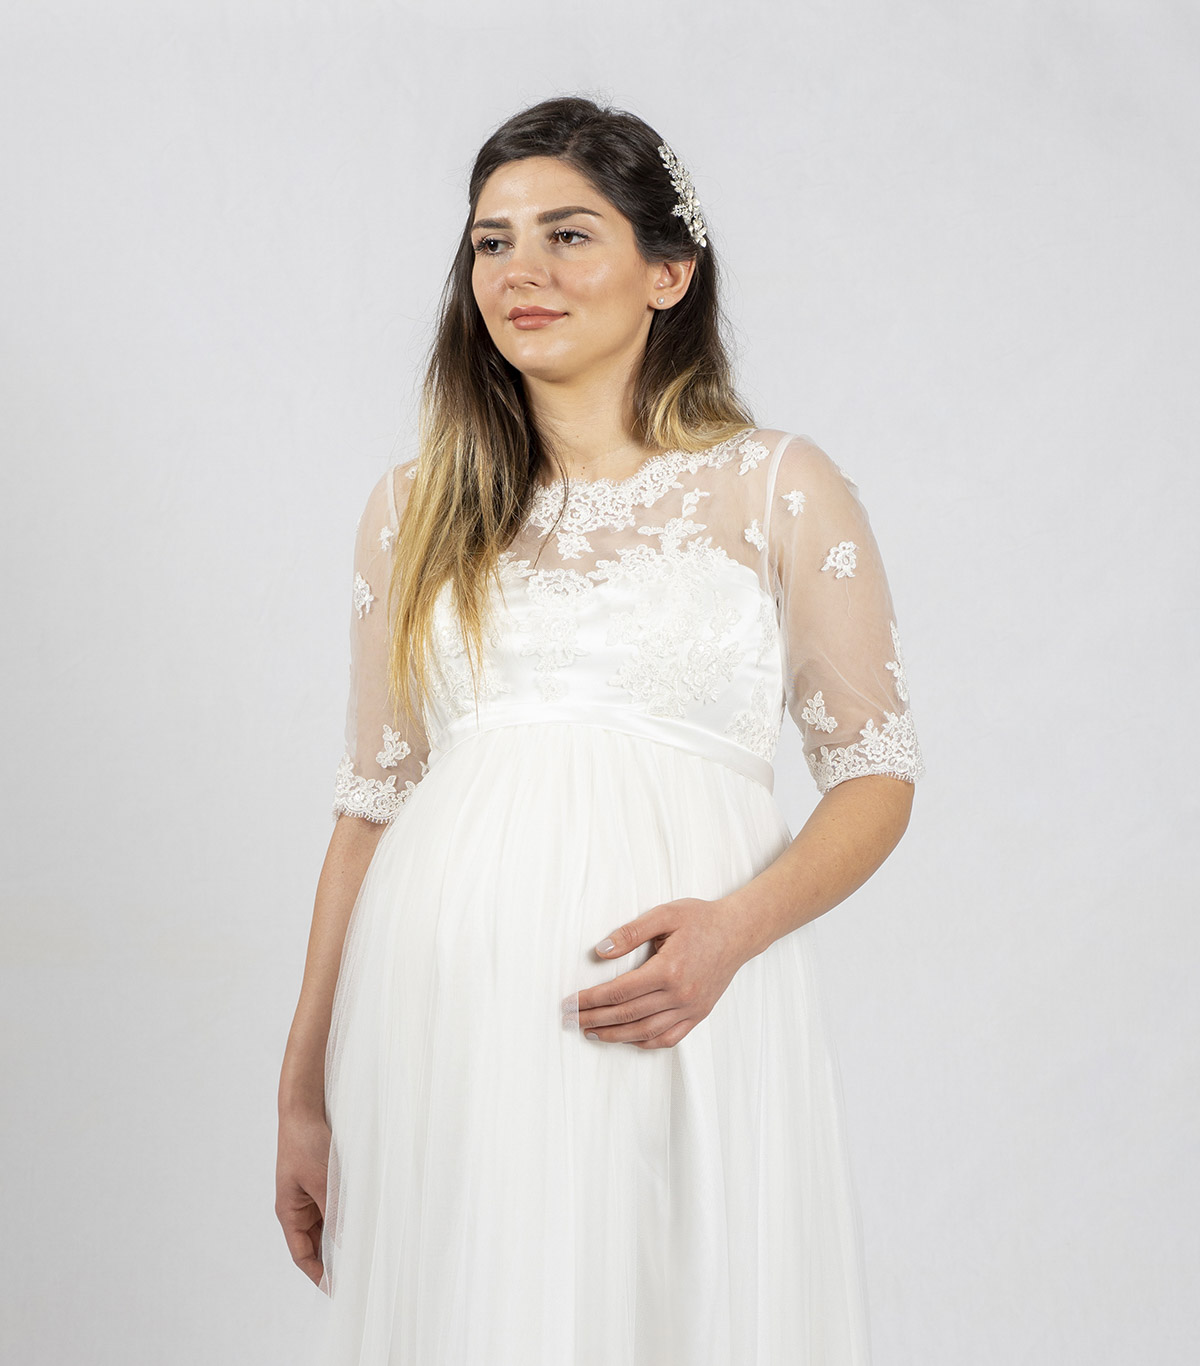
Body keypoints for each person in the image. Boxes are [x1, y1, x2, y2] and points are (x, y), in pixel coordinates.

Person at [276, 94, 925, 1365]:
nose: (520, 271)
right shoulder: (412, 510)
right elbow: (371, 807)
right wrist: (304, 1092)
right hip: (442, 1013)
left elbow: (877, 774)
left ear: (667, 272)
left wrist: (734, 932)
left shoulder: (775, 485)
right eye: (491, 242)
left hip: (676, 1001)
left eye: (568, 234)